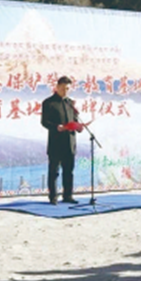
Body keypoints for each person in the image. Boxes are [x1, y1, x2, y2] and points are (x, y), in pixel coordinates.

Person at [41, 76, 83, 205]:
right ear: (57, 87)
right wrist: (56, 127)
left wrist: (79, 127)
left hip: (69, 142)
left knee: (68, 171)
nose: (65, 91)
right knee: (54, 172)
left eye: (68, 89)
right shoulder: (48, 103)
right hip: (56, 142)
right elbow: (44, 122)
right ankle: (53, 197)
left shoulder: (70, 103)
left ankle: (68, 196)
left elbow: (75, 120)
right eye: (63, 88)